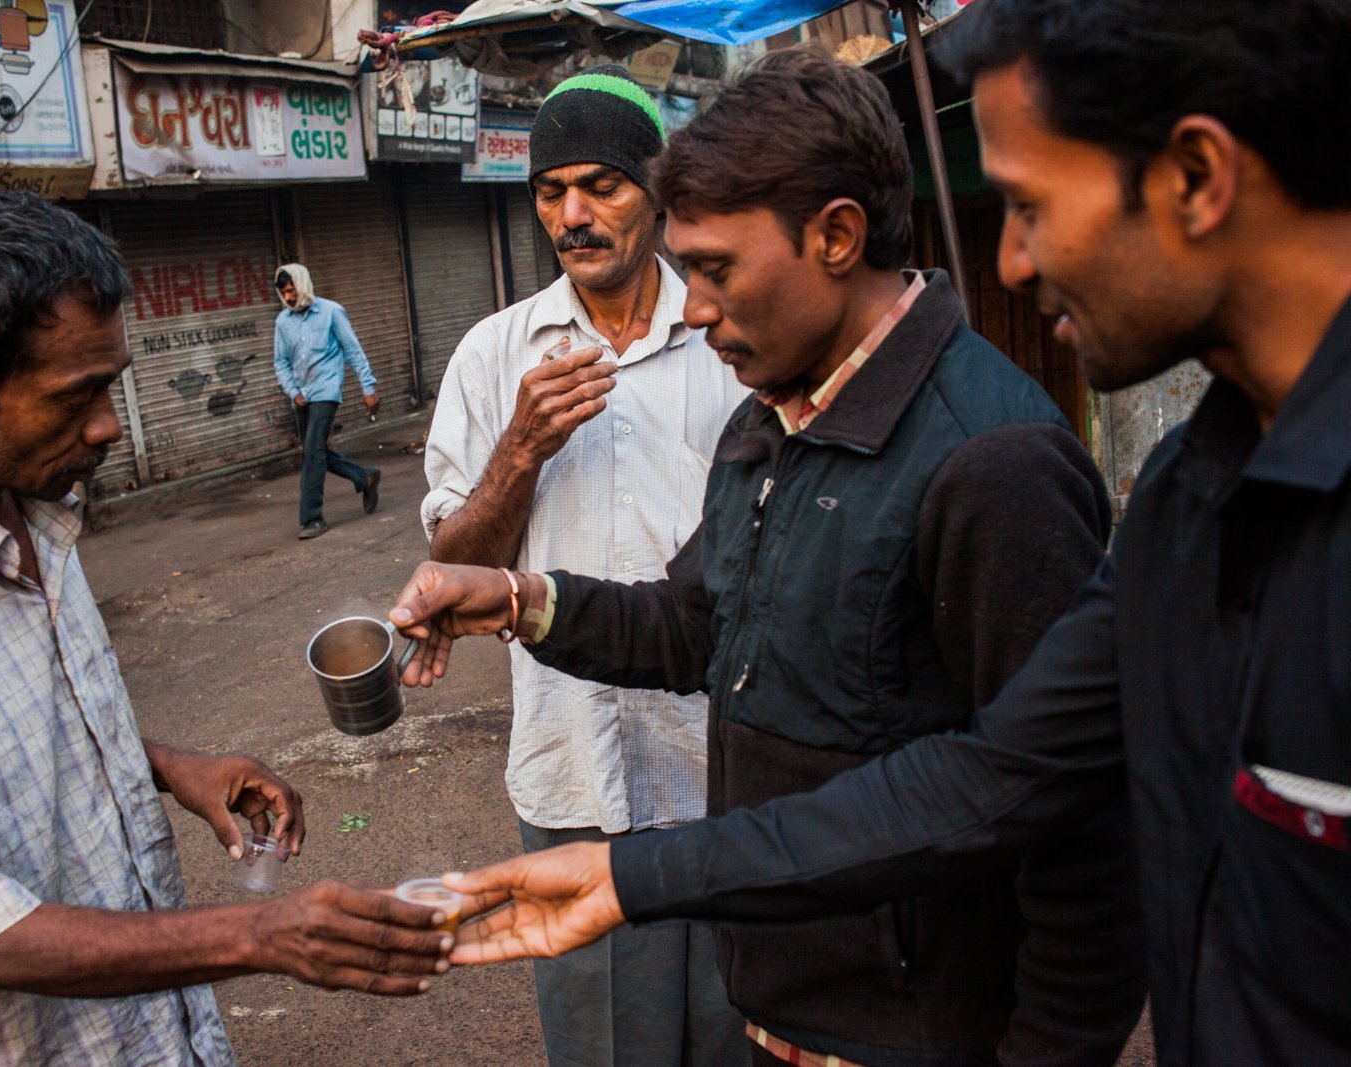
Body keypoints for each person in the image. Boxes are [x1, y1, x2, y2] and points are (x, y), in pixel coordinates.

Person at [398, 1, 1351, 1063]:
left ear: (1195, 177)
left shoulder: (997, 460)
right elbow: (986, 776)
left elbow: (1074, 846)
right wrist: (626, 860)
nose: (1017, 266)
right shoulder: (1188, 490)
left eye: (1028, 205)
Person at [0, 186, 452, 1067]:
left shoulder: (39, 512)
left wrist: (166, 765)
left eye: (113, 388)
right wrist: (259, 932)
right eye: (76, 395)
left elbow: (20, 722)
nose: (106, 428)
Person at [421, 63, 749, 1067]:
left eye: (600, 185)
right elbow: (450, 568)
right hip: (575, 772)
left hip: (728, 768)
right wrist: (520, 448)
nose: (573, 213)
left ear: (657, 193)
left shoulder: (728, 338)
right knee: (612, 1039)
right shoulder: (492, 357)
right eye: (550, 190)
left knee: (747, 1022)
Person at [272, 262, 381, 540]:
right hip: (301, 395)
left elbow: (353, 351)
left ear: (303, 285)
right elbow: (281, 362)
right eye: (284, 293)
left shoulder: (332, 312)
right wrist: (292, 391)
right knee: (314, 451)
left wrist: (368, 387)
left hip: (326, 391)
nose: (289, 298)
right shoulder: (283, 322)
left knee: (312, 453)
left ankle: (313, 518)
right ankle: (364, 478)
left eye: (292, 291)